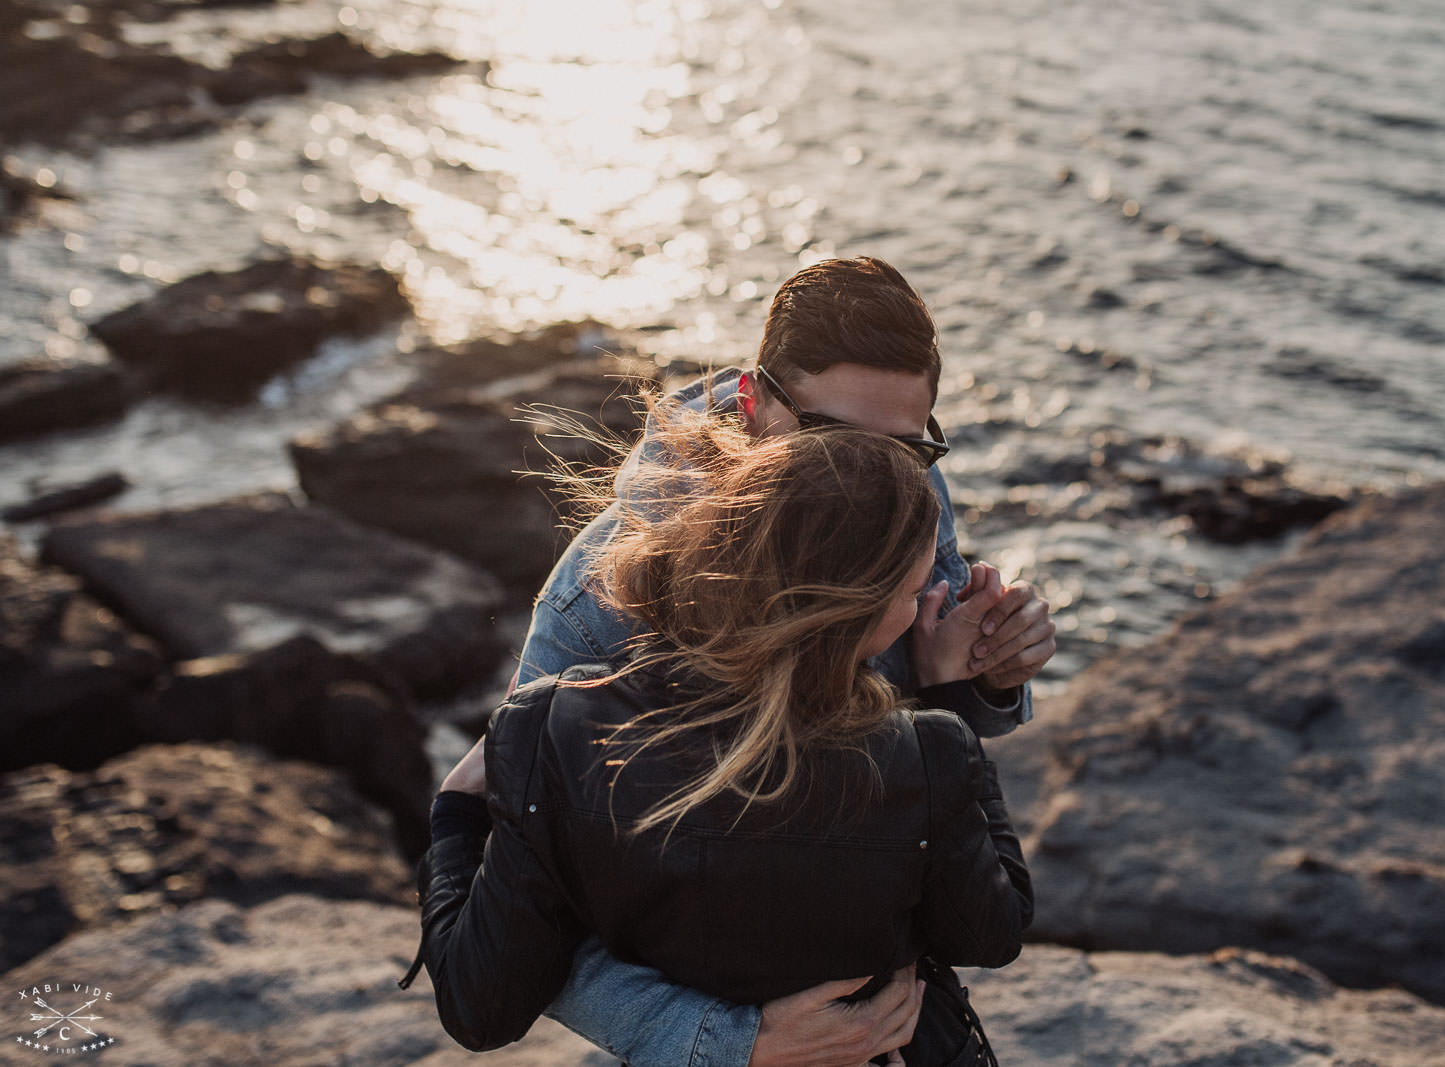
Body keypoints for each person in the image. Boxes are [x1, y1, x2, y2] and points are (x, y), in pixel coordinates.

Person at [441, 256, 1057, 1065]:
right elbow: (523, 892)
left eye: (905, 452)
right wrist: (730, 1043)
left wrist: (985, 677)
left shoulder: (905, 497)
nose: (876, 482)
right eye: (837, 439)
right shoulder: (594, 604)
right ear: (755, 401)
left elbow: (898, 766)